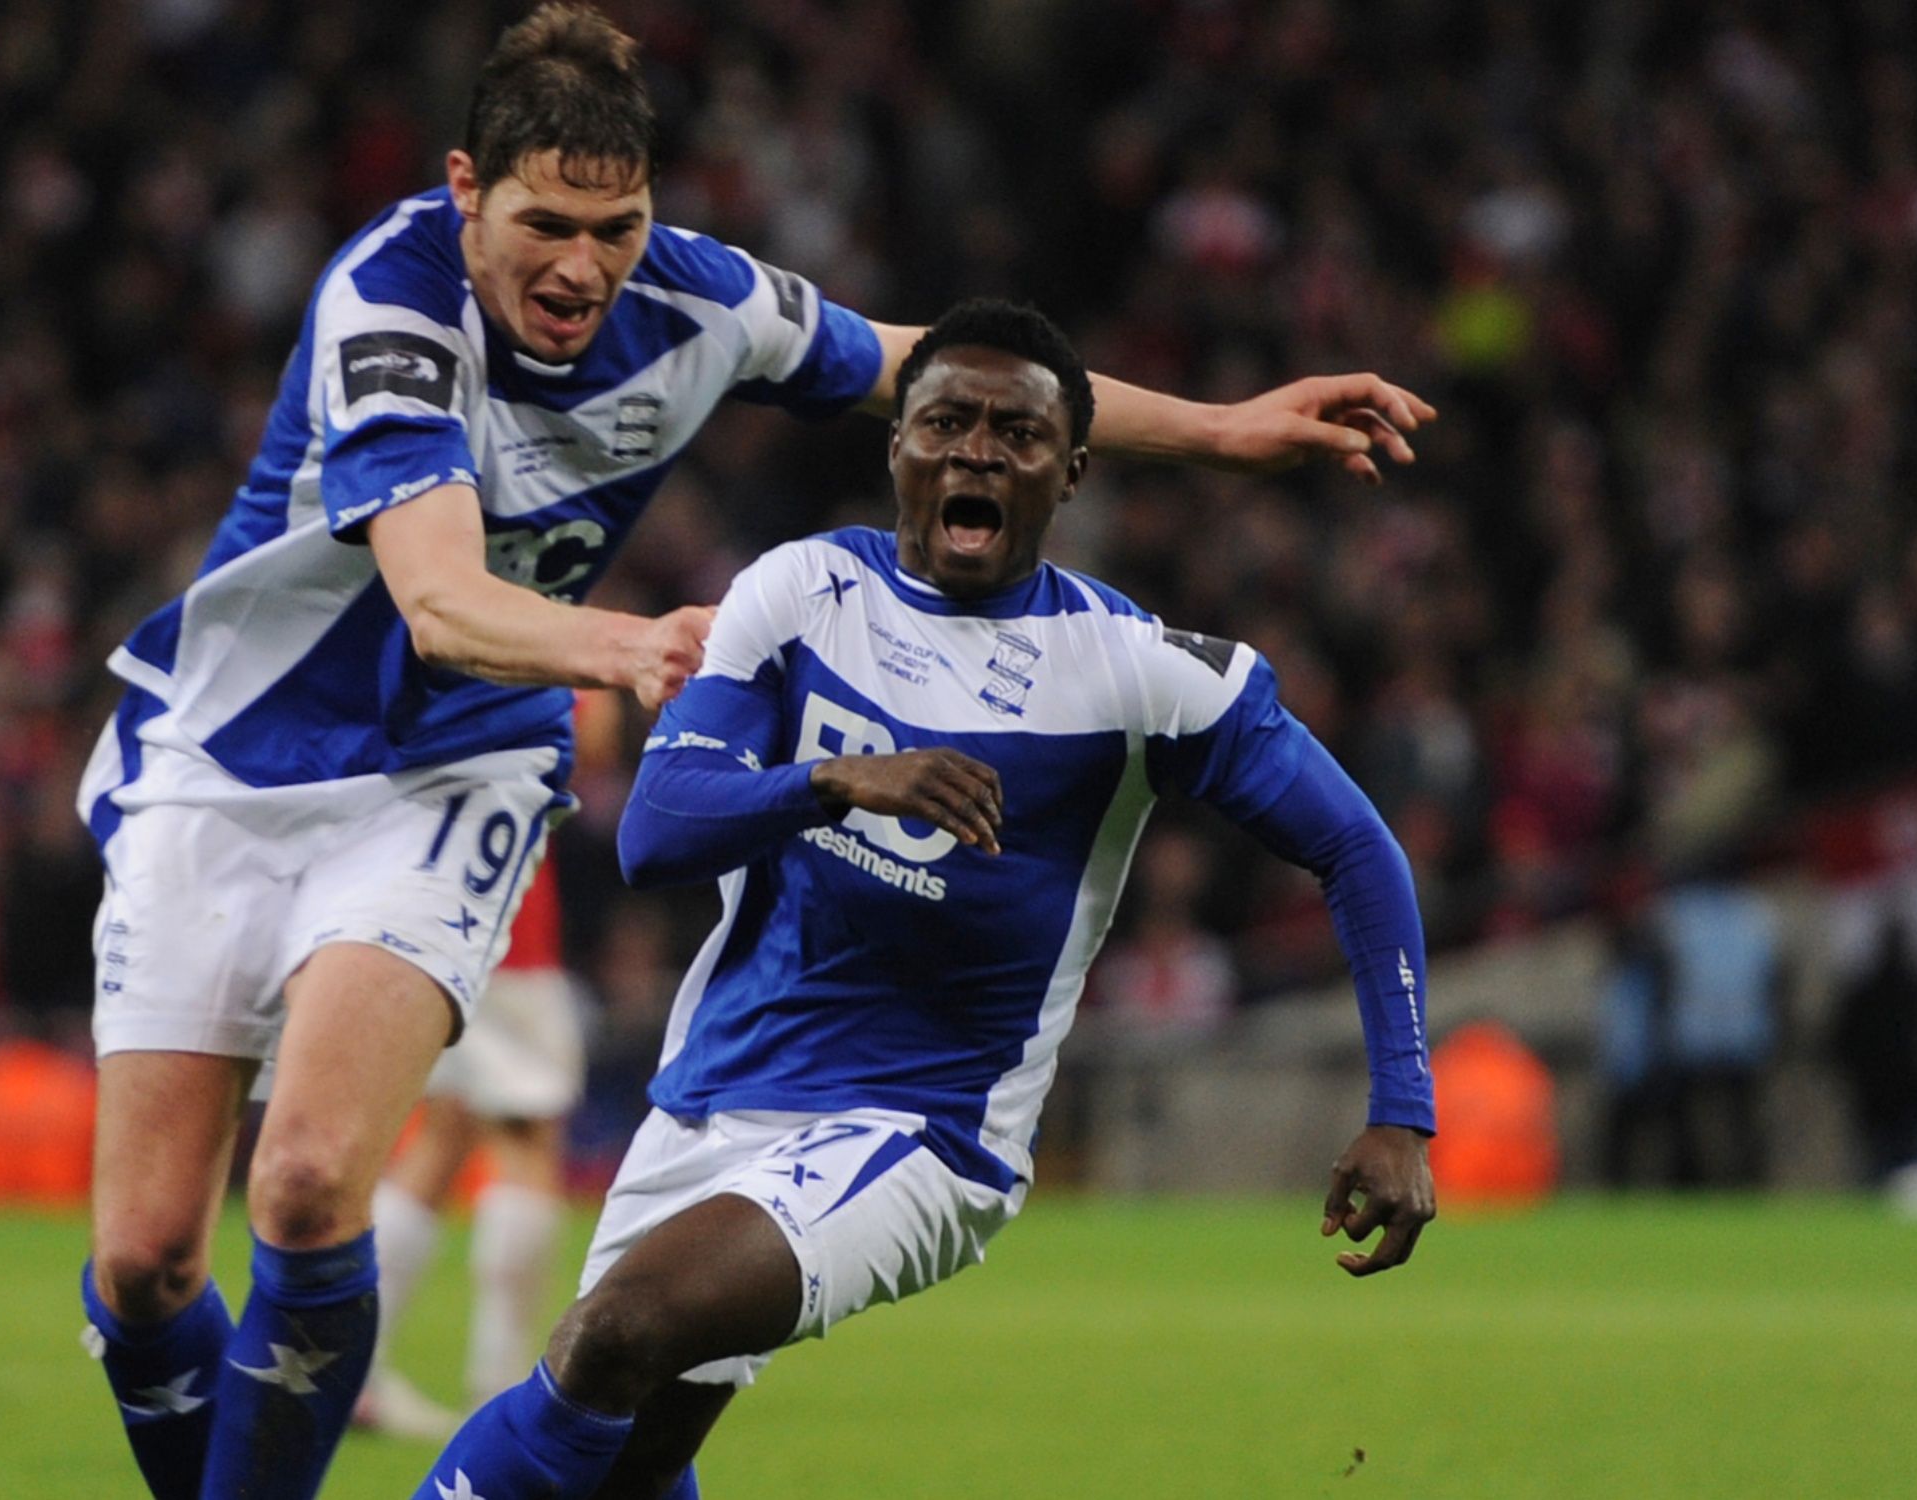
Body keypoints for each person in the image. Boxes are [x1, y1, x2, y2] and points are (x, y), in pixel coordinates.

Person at [71, 10, 1436, 1499]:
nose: (584, 268)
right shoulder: (388, 309)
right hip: (225, 754)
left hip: (451, 771)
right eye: (544, 226)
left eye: (619, 227)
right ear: (464, 192)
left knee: (315, 1182)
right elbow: (438, 601)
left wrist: (1228, 429)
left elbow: (935, 368)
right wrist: (631, 650)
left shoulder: (706, 306)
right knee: (146, 1261)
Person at [408, 299, 1437, 1500]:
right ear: (896, 444)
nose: (977, 453)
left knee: (610, 1338)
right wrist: (837, 779)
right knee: (630, 1453)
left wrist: (1402, 1109)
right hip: (712, 1094)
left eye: (1018, 434)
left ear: (1073, 472)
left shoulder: (1142, 674)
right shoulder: (800, 593)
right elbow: (656, 831)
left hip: (922, 1129)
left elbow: (1357, 849)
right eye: (945, 421)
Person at [357, 860, 588, 1441]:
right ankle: (500, 1392)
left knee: (444, 1133)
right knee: (525, 1136)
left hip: (424, 916)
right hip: (504, 907)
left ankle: (351, 1373)